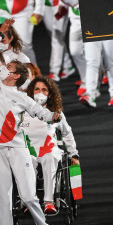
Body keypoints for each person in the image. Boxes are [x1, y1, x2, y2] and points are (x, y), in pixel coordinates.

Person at [0, 18, 61, 225]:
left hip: (17, 149)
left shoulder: (21, 97)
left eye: (8, 68)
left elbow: (42, 112)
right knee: (2, 202)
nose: (1, 68)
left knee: (27, 196)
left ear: (15, 76)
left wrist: (54, 116)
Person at [59, 0, 113, 107]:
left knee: (110, 61)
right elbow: (74, 1)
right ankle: (90, 94)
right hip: (92, 25)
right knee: (92, 61)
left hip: (111, 26)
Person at [23, 76, 79, 214]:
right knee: (27, 161)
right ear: (31, 92)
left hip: (49, 149)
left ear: (50, 94)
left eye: (44, 90)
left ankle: (49, 202)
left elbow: (67, 133)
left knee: (49, 159)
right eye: (36, 89)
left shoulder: (55, 114)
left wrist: (73, 154)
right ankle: (30, 200)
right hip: (28, 150)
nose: (40, 93)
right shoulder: (22, 112)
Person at [62, 0, 94, 96]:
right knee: (75, 51)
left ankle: (89, 82)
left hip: (91, 16)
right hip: (74, 17)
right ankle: (85, 77)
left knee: (93, 52)